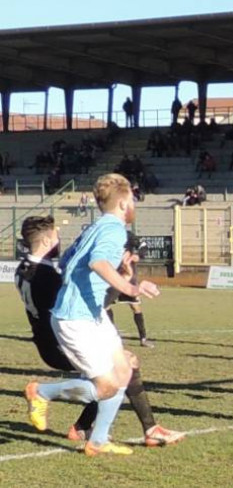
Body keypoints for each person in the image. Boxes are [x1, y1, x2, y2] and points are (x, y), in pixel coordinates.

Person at [15, 215, 183, 448]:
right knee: (120, 368)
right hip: (59, 343)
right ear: (45, 241)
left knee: (122, 366)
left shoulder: (23, 268)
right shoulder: (48, 278)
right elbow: (85, 308)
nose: (58, 241)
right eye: (56, 237)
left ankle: (91, 429)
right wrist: (123, 281)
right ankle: (54, 402)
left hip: (47, 341)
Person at [23, 174, 161, 456]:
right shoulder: (114, 230)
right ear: (123, 203)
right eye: (132, 200)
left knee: (124, 369)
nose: (134, 205)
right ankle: (41, 392)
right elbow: (98, 262)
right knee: (106, 386)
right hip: (76, 318)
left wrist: (113, 275)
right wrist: (131, 287)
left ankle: (98, 440)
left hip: (91, 312)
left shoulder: (95, 227)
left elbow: (67, 261)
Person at [106, 231, 154, 348]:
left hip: (128, 277)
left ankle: (143, 338)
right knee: (106, 306)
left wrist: (139, 255)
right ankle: (112, 337)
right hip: (111, 276)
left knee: (135, 306)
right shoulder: (106, 235)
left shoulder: (128, 235)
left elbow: (144, 246)